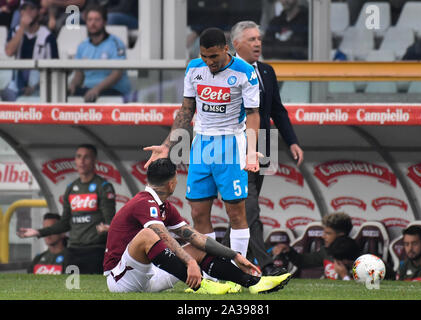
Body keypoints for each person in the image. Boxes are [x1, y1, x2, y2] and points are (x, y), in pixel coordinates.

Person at [144, 28, 260, 267]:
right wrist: (167, 145)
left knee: (236, 213)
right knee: (198, 213)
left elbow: (253, 114)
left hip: (231, 143)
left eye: (214, 57)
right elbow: (186, 111)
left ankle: (240, 272)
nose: (209, 62)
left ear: (226, 49)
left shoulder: (245, 72)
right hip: (201, 144)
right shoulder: (194, 68)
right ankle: (210, 272)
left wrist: (251, 151)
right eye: (205, 56)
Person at [104, 158, 292, 294]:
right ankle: (201, 285)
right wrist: (190, 262)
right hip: (121, 279)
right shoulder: (143, 203)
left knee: (197, 246)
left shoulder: (165, 206)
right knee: (149, 234)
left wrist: (234, 255)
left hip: (150, 275)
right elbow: (161, 236)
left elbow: (197, 237)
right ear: (171, 183)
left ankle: (253, 282)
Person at [226, 20, 304, 276]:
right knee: (250, 207)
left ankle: (224, 258)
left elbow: (278, 110)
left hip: (265, 142)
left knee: (244, 209)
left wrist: (292, 140)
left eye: (259, 39)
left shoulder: (268, 71)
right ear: (236, 44)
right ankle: (267, 264)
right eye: (251, 39)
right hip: (238, 146)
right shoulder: (226, 71)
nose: (258, 43)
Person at [18, 144, 116, 274]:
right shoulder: (71, 188)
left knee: (94, 292)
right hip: (73, 250)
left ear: (94, 161)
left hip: (96, 250)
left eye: (86, 157)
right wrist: (38, 232)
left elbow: (111, 222)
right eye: (78, 157)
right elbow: (64, 223)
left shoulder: (103, 186)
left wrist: (107, 228)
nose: (81, 161)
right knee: (71, 289)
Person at [68, 3, 131, 102]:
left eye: (97, 20)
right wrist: (73, 85)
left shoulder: (116, 43)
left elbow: (117, 74)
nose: (93, 23)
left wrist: (96, 89)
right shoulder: (82, 46)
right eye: (90, 20)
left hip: (113, 91)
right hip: (88, 90)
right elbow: (79, 75)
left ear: (105, 22)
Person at [1, 0, 59, 102]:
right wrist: (22, 27)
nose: (27, 12)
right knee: (5, 92)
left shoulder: (48, 36)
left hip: (40, 87)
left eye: (31, 9)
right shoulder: (15, 31)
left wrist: (35, 87)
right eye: (24, 9)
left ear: (38, 11)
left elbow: (53, 70)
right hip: (16, 86)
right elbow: (9, 52)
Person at [272, 212, 358, 280]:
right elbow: (302, 261)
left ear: (341, 234)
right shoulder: (325, 251)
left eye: (328, 233)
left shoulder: (354, 253)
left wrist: (344, 276)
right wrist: (288, 251)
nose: (323, 236)